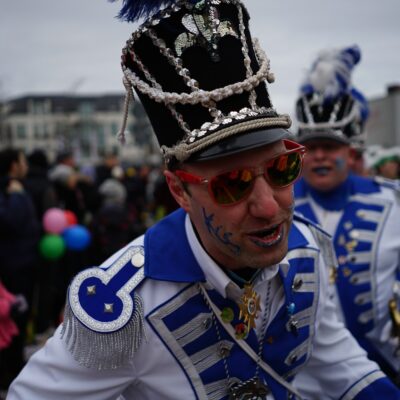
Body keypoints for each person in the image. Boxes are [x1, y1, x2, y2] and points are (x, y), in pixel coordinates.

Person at [7, 3, 400, 399]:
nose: (268, 206)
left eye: (282, 168)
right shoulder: (124, 307)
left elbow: (336, 361)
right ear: (180, 190)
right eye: (232, 185)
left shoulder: (307, 249)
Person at [293, 45, 400, 383]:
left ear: (350, 151)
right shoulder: (277, 206)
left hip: (384, 367)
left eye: (330, 147)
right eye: (311, 148)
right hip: (306, 381)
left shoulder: (392, 201)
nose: (319, 157)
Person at [0, 148, 40, 390]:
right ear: (14, 165)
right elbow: (11, 222)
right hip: (13, 266)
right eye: (22, 161)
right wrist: (16, 196)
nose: (26, 166)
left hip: (23, 262)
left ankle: (16, 366)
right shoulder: (9, 190)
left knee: (22, 317)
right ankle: (10, 372)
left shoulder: (17, 187)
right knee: (12, 319)